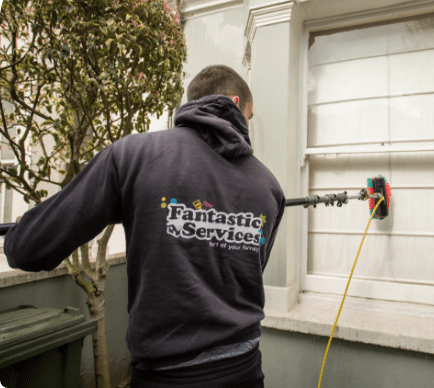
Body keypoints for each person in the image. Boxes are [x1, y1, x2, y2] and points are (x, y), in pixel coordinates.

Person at [4, 65, 286, 388]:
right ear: (236, 104)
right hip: (246, 372)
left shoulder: (133, 156)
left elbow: (28, 248)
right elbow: (246, 268)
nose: (247, 127)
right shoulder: (270, 188)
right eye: (249, 117)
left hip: (164, 378)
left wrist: (20, 233)